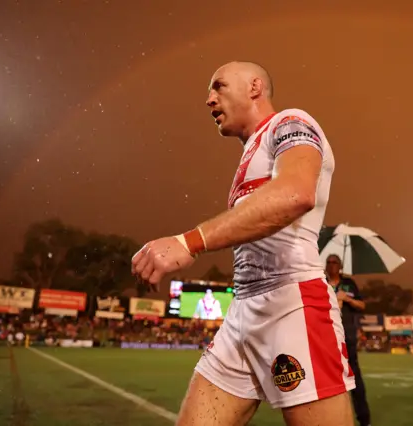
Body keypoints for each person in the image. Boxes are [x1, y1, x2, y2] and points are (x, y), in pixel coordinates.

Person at [132, 61, 355, 426]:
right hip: (243, 312)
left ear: (254, 87)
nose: (208, 100)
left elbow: (296, 193)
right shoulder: (249, 154)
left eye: (218, 86)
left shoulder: (290, 122)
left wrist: (188, 242)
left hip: (293, 304)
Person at [326, 254, 372, 426]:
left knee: (355, 379)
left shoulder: (349, 284)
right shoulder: (321, 282)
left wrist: (348, 299)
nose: (331, 265)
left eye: (335, 262)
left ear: (340, 265)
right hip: (327, 336)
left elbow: (362, 305)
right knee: (329, 380)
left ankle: (364, 420)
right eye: (328, 262)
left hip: (348, 336)